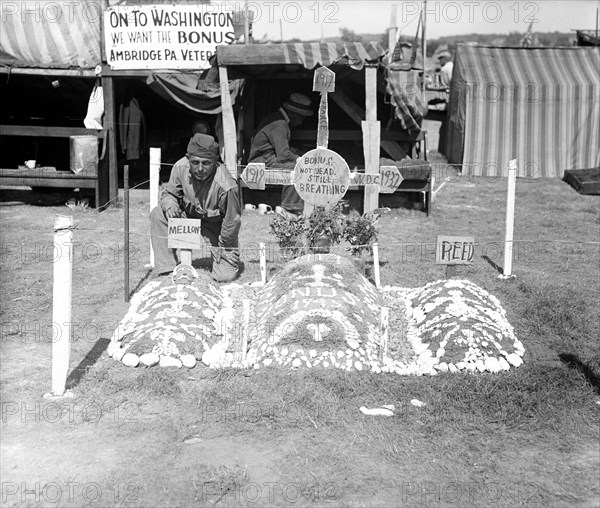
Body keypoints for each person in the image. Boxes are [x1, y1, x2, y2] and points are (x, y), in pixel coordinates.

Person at [150, 133, 241, 282]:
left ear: (215, 161)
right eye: (195, 162)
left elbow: (232, 221)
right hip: (187, 217)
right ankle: (165, 269)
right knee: (158, 213)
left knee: (224, 276)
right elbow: (169, 194)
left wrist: (225, 248)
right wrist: (170, 205)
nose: (200, 168)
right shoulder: (180, 167)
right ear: (188, 158)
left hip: (214, 226)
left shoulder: (227, 186)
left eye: (206, 163)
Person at [248, 93, 313, 216]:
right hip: (260, 163)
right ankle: (290, 208)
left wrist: (300, 153)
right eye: (301, 118)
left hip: (267, 159)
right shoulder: (280, 124)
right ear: (294, 114)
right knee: (298, 169)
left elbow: (282, 149)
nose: (300, 122)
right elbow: (283, 156)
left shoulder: (278, 120)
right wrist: (302, 158)